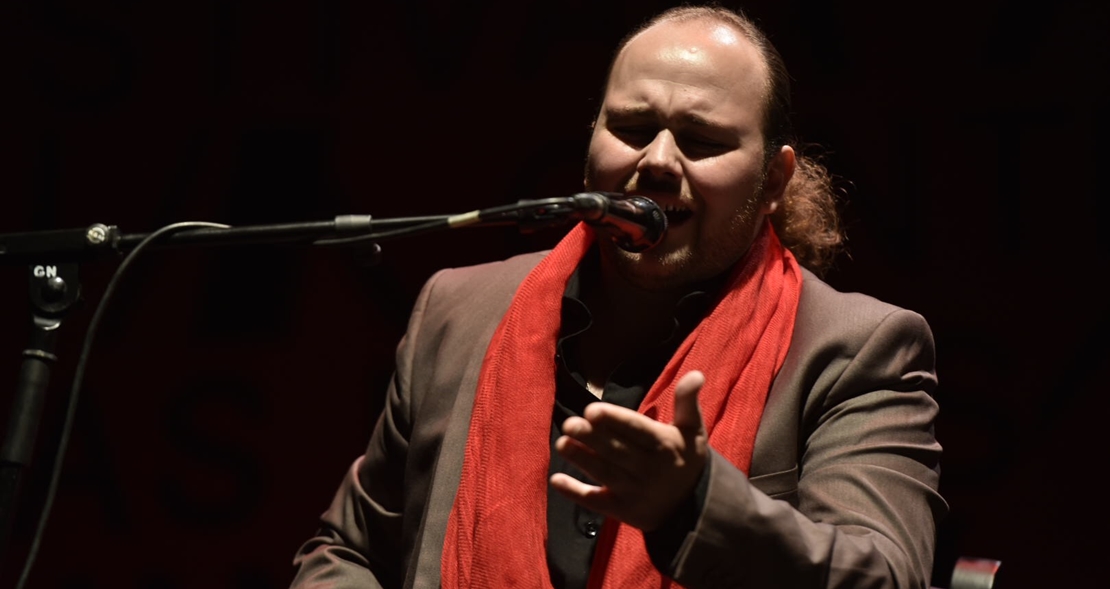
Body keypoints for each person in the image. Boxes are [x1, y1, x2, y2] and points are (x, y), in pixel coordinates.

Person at [289, 4, 946, 589]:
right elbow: (348, 551)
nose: (658, 159)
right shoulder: (456, 311)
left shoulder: (857, 347)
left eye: (703, 140)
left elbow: (884, 574)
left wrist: (694, 505)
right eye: (632, 126)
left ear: (773, 180)